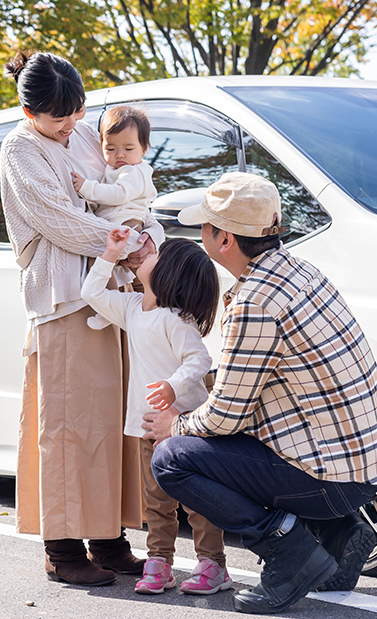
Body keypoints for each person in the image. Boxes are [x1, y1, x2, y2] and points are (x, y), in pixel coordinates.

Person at [142, 172, 377, 614]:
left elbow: (225, 417)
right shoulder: (302, 271)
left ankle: (290, 550)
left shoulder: (255, 302)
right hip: (370, 472)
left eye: (205, 225)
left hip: (331, 482)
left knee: (172, 458)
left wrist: (174, 424)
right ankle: (338, 533)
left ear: (224, 240)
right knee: (229, 439)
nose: (200, 232)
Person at [0, 51, 165, 586]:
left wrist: (141, 237)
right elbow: (60, 222)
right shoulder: (21, 148)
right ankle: (63, 547)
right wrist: (128, 246)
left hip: (109, 291)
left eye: (77, 111)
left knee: (110, 421)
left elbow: (128, 190)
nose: (71, 124)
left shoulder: (87, 134)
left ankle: (108, 537)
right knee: (69, 425)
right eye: (57, 116)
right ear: (29, 112)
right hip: (65, 298)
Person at [81, 228, 232, 596]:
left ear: (169, 273)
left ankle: (213, 564)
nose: (146, 251)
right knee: (157, 503)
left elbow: (200, 359)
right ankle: (159, 563)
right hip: (147, 426)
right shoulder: (133, 308)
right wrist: (109, 253)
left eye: (157, 252)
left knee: (199, 501)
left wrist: (173, 386)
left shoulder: (175, 318)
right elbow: (91, 293)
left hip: (184, 426)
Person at [70, 105, 157, 330]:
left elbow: (119, 195)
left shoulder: (134, 171)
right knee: (114, 269)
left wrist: (86, 188)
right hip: (117, 221)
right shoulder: (118, 168)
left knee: (104, 265)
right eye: (110, 148)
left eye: (128, 148)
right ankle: (109, 309)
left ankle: (108, 307)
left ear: (144, 148)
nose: (120, 155)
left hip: (126, 223)